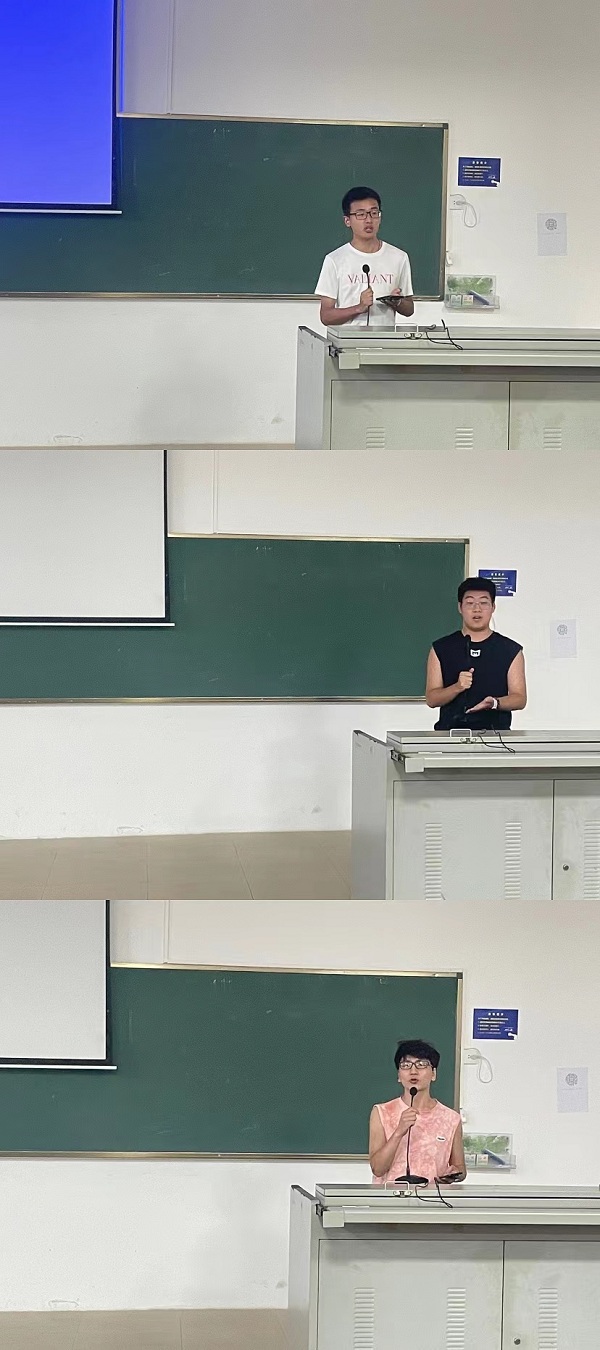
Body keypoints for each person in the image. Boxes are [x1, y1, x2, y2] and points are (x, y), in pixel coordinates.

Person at [426, 576, 527, 731]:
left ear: (493, 607)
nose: (477, 609)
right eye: (470, 603)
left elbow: (520, 699)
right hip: (450, 736)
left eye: (484, 603)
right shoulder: (441, 648)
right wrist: (457, 687)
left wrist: (495, 703)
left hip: (496, 736)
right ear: (460, 607)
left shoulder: (510, 649)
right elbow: (432, 699)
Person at [369, 1039, 465, 1187]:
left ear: (433, 1074)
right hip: (390, 1198)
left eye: (421, 1064)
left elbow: (460, 1169)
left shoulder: (451, 1118)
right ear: (399, 1075)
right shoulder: (382, 1112)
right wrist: (399, 1132)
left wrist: (453, 1173)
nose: (413, 1071)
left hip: (433, 1198)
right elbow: (378, 1169)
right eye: (406, 1065)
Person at [315, 186, 414, 328]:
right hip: (348, 340)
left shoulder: (399, 257)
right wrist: (359, 308)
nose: (368, 220)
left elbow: (409, 309)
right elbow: (326, 316)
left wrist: (397, 302)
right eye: (360, 214)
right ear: (347, 221)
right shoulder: (334, 260)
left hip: (386, 339)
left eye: (374, 213)